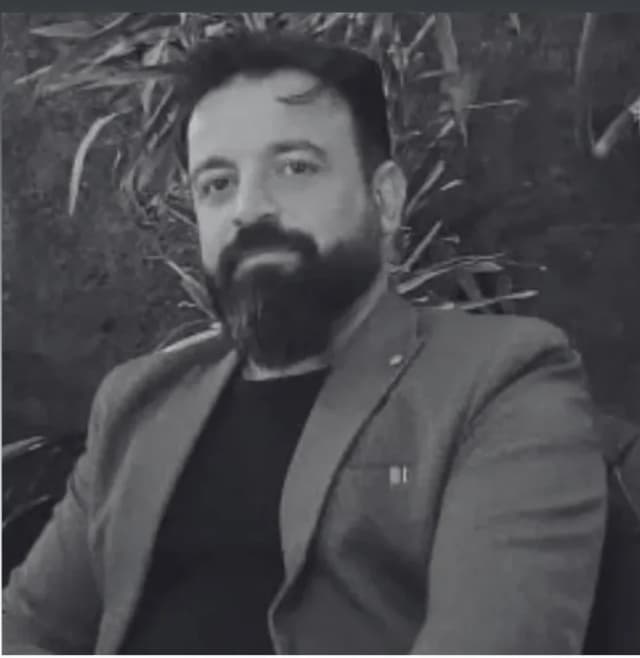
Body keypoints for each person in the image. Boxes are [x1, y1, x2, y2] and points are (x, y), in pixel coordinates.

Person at [2, 31, 607, 655]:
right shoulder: (138, 403)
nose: (249, 208)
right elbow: (27, 630)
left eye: (295, 168)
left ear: (385, 198)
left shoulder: (499, 379)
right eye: (217, 183)